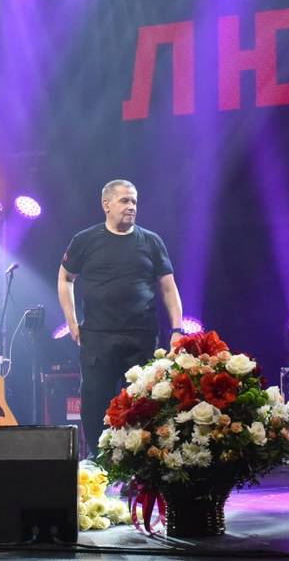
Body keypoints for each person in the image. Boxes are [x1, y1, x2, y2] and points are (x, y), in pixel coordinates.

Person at [58, 179, 184, 452]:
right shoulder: (85, 240)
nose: (131, 207)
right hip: (98, 337)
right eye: (124, 200)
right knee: (94, 401)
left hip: (141, 337)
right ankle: (97, 458)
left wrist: (177, 330)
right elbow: (65, 278)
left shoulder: (151, 241)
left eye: (134, 201)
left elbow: (168, 287)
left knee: (143, 404)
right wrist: (71, 321)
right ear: (106, 204)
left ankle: (141, 460)